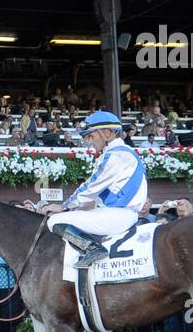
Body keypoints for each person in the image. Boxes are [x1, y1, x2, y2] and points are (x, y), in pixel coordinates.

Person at [47, 110, 148, 267]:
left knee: (54, 221)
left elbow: (90, 187)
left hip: (117, 215)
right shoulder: (123, 152)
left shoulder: (116, 155)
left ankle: (93, 249)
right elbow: (102, 193)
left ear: (107, 133)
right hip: (119, 213)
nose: (89, 141)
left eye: (91, 136)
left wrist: (63, 206)